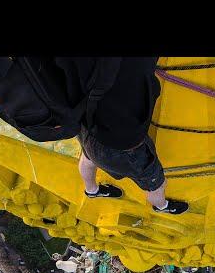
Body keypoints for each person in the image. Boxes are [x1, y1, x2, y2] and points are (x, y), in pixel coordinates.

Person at [65, 57, 189, 215]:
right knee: (156, 183)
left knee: (88, 156)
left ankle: (92, 190)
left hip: (87, 123)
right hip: (123, 146)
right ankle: (162, 206)